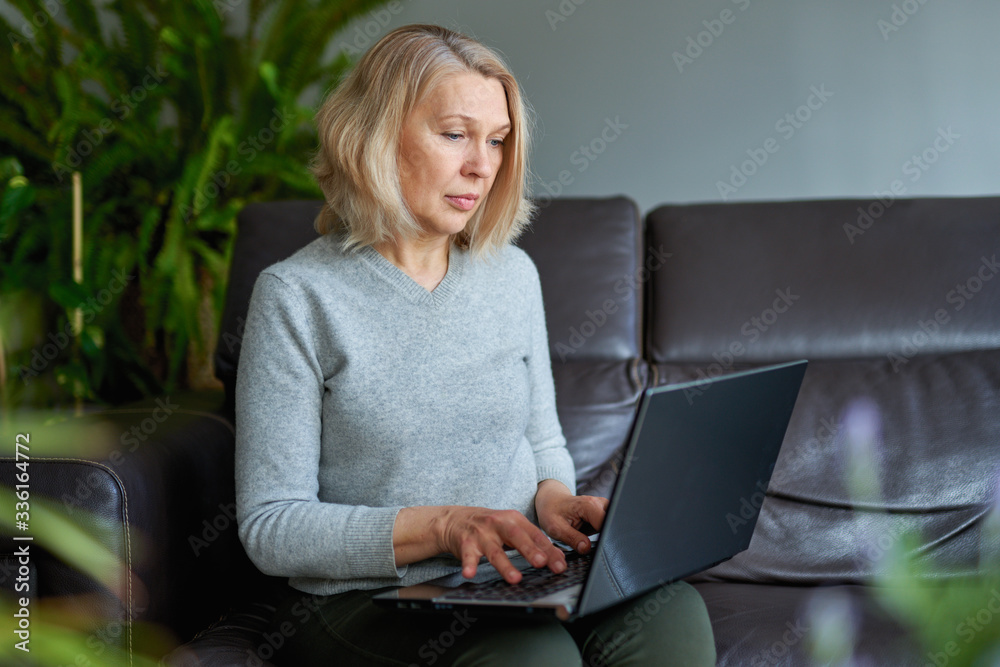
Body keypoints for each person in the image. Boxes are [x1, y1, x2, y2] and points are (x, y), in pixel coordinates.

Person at [235, 23, 716, 666]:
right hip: (367, 598)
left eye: (496, 141)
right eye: (455, 134)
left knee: (672, 614)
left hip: (511, 577)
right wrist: (445, 525)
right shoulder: (296, 295)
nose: (482, 165)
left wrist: (557, 503)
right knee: (534, 658)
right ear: (375, 136)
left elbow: (544, 444)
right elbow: (273, 527)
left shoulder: (513, 274)